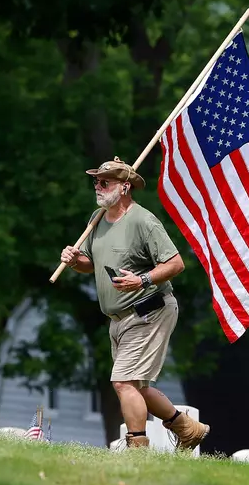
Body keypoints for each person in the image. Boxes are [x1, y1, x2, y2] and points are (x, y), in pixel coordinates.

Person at [59, 156, 210, 451]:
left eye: (105, 182)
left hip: (150, 310)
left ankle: (138, 451)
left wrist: (141, 280)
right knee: (137, 387)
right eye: (96, 182)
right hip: (119, 319)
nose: (98, 187)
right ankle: (188, 429)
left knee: (123, 383)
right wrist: (76, 261)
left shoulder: (143, 220)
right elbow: (93, 263)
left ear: (125, 187)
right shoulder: (97, 218)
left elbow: (176, 263)